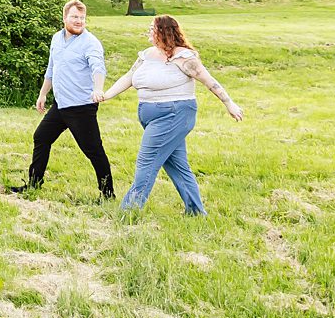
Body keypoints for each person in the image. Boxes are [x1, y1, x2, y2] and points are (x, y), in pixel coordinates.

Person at [96, 15, 243, 215]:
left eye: (152, 28)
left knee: (146, 162)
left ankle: (128, 213)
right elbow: (129, 77)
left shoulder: (184, 57)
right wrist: (106, 95)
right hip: (151, 115)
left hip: (174, 115)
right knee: (177, 165)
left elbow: (209, 81)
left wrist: (229, 103)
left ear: (164, 31)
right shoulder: (147, 54)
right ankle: (196, 212)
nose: (148, 31)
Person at [8, 0, 115, 198]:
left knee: (93, 151)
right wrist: (42, 94)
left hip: (82, 107)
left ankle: (108, 194)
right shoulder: (57, 38)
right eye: (75, 16)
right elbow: (51, 68)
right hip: (61, 105)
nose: (79, 21)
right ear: (64, 17)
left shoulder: (90, 43)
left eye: (82, 18)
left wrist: (98, 89)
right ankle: (34, 183)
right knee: (41, 137)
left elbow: (98, 68)